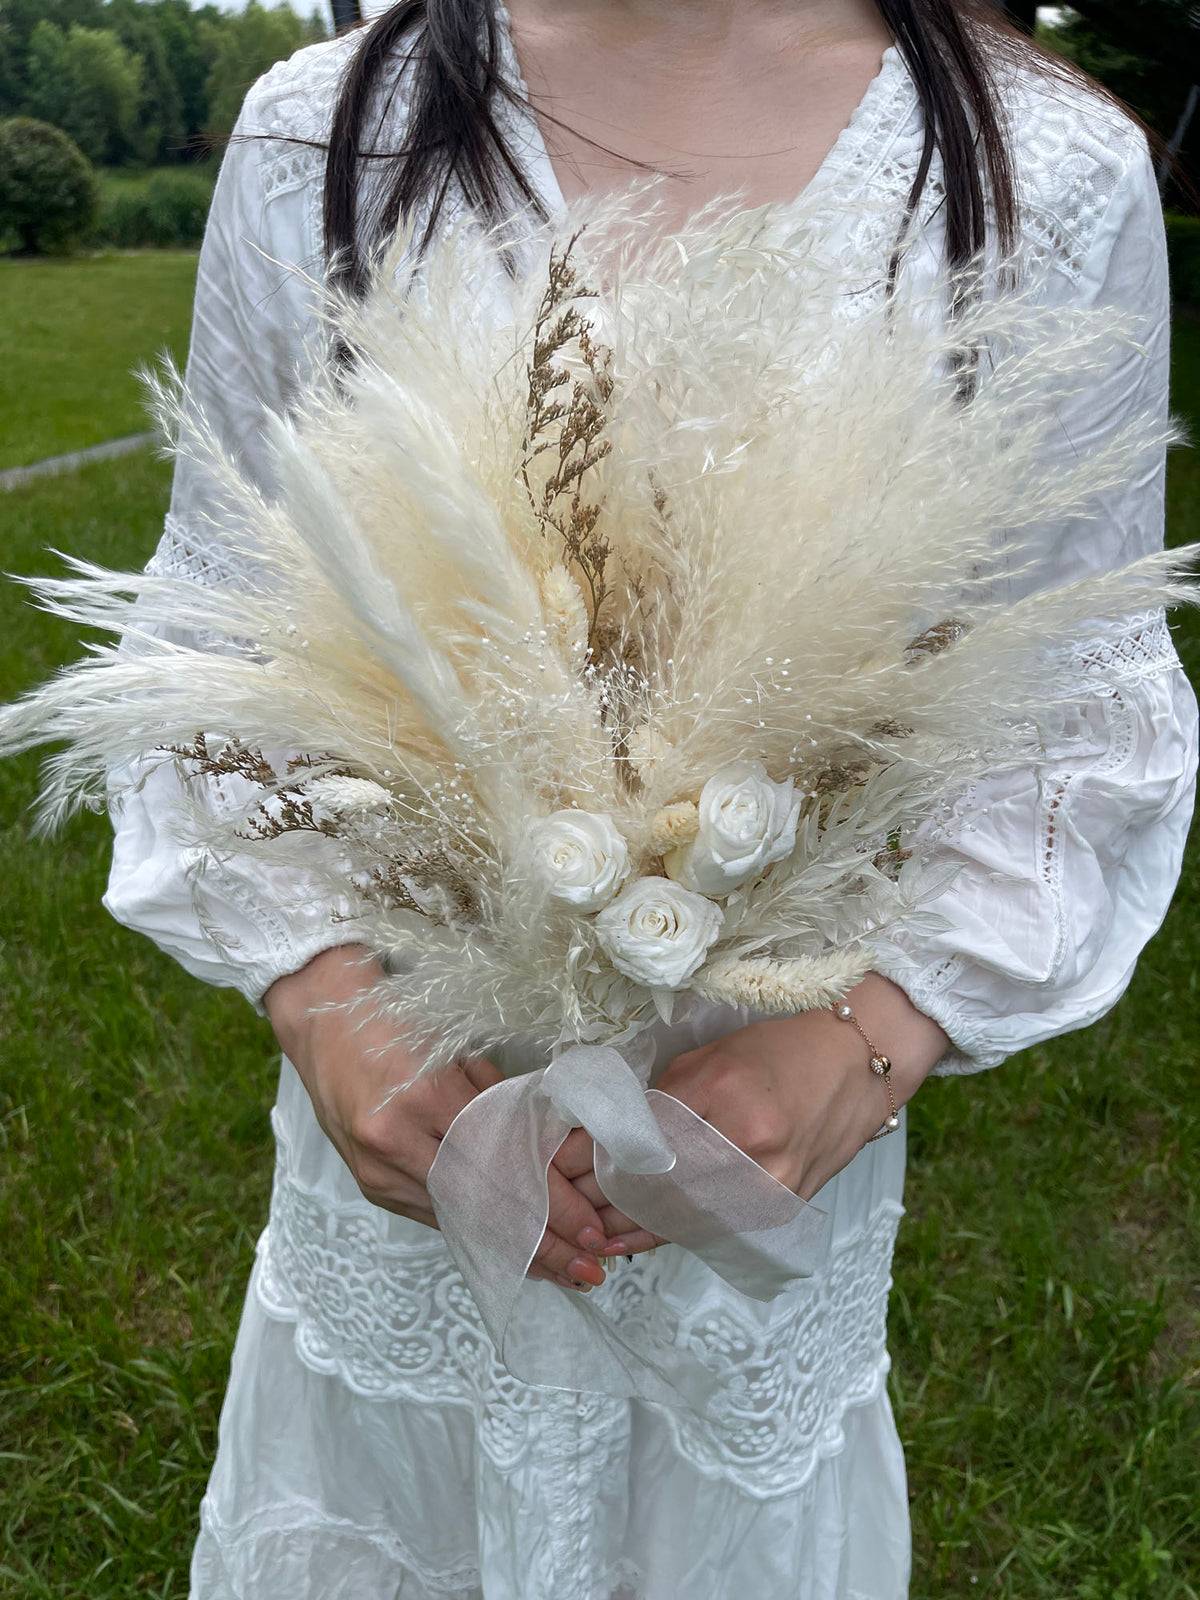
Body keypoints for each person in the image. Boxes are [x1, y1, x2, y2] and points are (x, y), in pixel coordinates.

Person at [101, 1, 1199, 1595]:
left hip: (754, 1203)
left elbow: (1073, 723)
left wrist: (864, 1039)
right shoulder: (321, 138)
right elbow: (214, 630)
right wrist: (328, 1002)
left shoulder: (1043, 177)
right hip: (408, 1165)